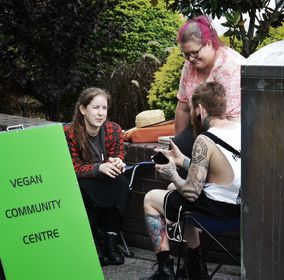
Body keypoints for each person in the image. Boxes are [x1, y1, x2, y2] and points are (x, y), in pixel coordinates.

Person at [140, 82, 241, 280]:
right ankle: (195, 266)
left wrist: (172, 173)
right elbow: (217, 171)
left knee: (151, 198)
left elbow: (191, 193)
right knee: (172, 189)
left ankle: (165, 271)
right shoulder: (241, 129)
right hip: (237, 210)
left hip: (214, 213)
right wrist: (182, 161)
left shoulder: (205, 140)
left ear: (200, 110)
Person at [64, 87, 129, 266]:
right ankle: (94, 244)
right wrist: (98, 168)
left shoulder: (113, 129)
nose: (101, 113)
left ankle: (110, 241)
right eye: (96, 108)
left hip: (105, 179)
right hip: (82, 181)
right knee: (85, 187)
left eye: (104, 108)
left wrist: (118, 162)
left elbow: (118, 155)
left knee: (122, 183)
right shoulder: (69, 132)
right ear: (83, 109)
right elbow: (73, 168)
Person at [173, 15, 245, 158]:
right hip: (201, 127)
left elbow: (231, 120)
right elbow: (183, 108)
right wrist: (176, 145)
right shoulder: (189, 66)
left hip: (231, 132)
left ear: (210, 44)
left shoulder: (229, 67)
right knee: (179, 147)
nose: (191, 59)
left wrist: (206, 143)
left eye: (195, 52)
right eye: (186, 54)